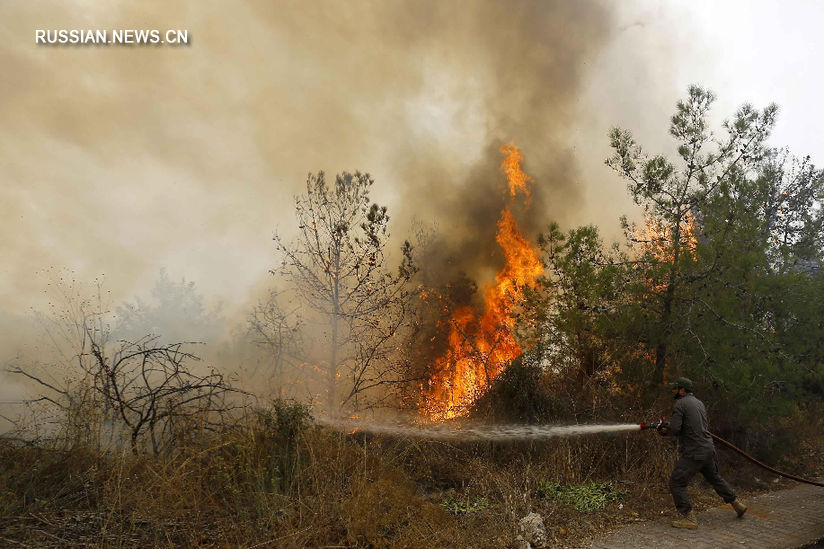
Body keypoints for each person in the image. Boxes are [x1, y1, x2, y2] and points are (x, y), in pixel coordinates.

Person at [658, 377, 747, 529]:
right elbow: (690, 425)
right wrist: (669, 425)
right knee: (714, 478)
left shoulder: (680, 403)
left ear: (682, 390)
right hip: (708, 449)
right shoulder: (699, 403)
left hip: (695, 452)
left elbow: (676, 429)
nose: (674, 391)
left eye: (676, 388)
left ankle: (689, 518)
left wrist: (665, 430)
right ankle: (737, 504)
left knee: (676, 483)